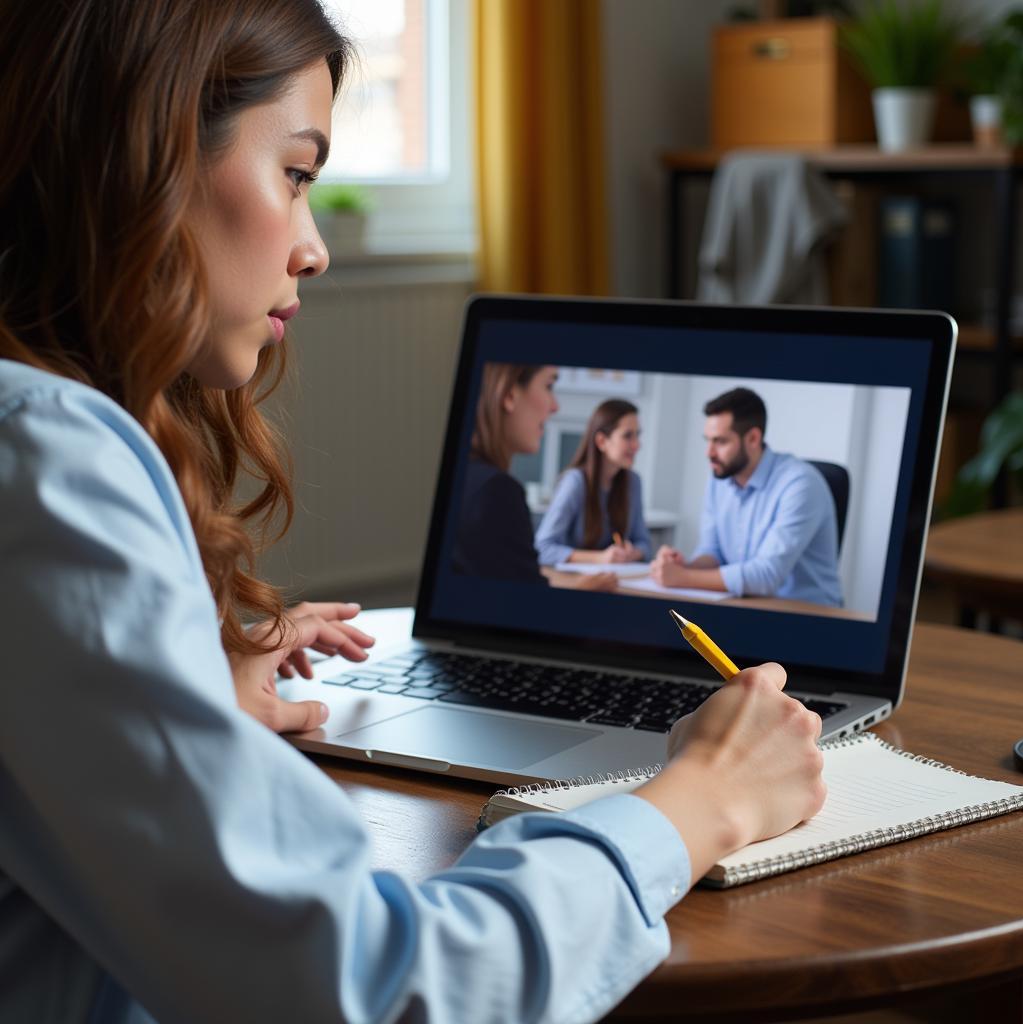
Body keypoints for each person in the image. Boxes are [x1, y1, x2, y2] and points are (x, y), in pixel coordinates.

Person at [0, 4, 827, 1022]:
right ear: (145, 162)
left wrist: (178, 709)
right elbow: (371, 985)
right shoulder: (45, 463)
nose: (313, 248)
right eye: (295, 174)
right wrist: (695, 802)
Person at [652, 387, 843, 606]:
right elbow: (713, 552)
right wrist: (685, 566)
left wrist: (682, 578)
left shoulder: (801, 484)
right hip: (747, 605)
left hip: (808, 616)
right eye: (708, 440)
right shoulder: (719, 479)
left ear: (753, 438)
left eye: (720, 442)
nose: (709, 453)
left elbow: (766, 575)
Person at [453, 363, 617, 591]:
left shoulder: (467, 476)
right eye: (549, 386)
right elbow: (527, 602)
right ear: (509, 394)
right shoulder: (496, 490)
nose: (555, 407)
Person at [535, 398, 653, 566]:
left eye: (637, 435)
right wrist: (599, 558)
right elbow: (542, 548)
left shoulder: (633, 482)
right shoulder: (575, 482)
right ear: (601, 441)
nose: (637, 444)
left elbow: (645, 543)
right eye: (628, 436)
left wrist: (632, 553)